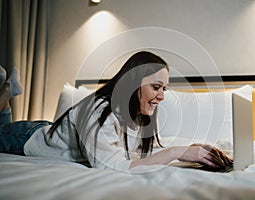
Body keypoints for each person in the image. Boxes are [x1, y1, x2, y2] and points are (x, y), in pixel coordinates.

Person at [0, 51, 232, 171]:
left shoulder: (141, 117)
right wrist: (176, 152)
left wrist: (189, 150)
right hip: (26, 138)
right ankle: (7, 91)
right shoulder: (97, 110)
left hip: (46, 129)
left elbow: (139, 158)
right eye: (156, 87)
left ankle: (7, 93)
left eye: (164, 88)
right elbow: (109, 166)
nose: (162, 96)